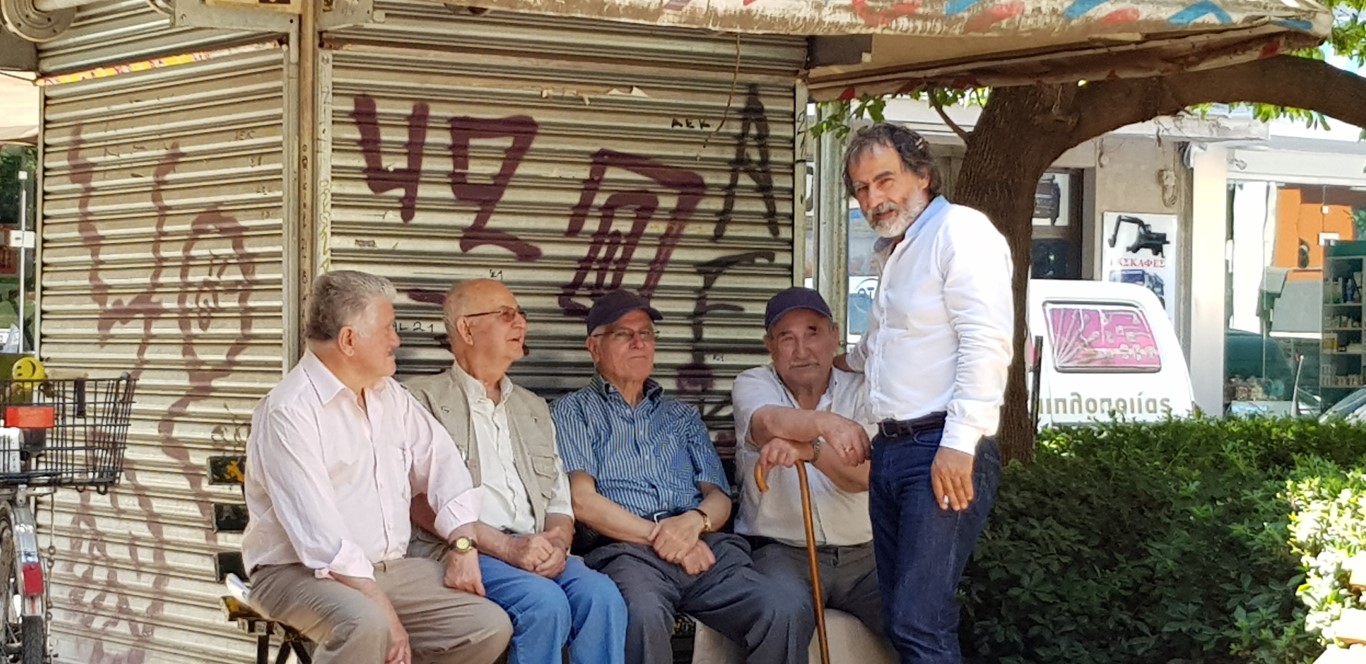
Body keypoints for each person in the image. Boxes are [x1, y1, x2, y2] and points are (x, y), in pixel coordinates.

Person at [240, 269, 512, 664]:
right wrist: (386, 613)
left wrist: (462, 544)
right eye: (387, 328)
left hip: (387, 569)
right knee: (366, 624)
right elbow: (321, 539)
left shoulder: (389, 396)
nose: (396, 340)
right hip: (297, 572)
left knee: (487, 626)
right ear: (349, 340)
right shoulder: (290, 411)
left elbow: (444, 464)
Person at [552, 289, 812, 664]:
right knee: (641, 613)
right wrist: (666, 538)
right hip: (627, 552)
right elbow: (583, 501)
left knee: (782, 608)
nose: (640, 343)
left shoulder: (682, 416)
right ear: (594, 347)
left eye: (647, 334)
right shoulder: (573, 411)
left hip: (705, 546)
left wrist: (694, 523)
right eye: (625, 334)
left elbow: (718, 496)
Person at [838, 123, 1013, 662]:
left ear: (923, 176)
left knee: (919, 620)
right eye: (861, 188)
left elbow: (986, 342)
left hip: (941, 448)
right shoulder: (897, 251)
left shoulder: (960, 231)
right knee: (902, 617)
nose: (873, 198)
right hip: (892, 451)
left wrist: (959, 444)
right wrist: (829, 361)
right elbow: (878, 347)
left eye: (884, 180)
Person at [404, 279, 627, 664]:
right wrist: (507, 547)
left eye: (520, 314)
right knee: (544, 604)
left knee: (603, 598)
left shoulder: (532, 406)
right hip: (463, 550)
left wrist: (557, 545)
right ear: (466, 328)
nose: (520, 323)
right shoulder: (420, 400)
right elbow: (417, 500)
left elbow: (558, 499)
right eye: (505, 315)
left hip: (534, 546)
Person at [732, 287, 883, 638]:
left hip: (866, 556)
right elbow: (768, 423)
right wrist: (825, 425)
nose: (801, 351)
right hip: (780, 553)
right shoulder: (753, 382)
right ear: (769, 346)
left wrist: (809, 449)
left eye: (812, 333)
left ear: (834, 335)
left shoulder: (865, 388)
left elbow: (866, 476)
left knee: (915, 613)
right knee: (779, 611)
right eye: (787, 338)